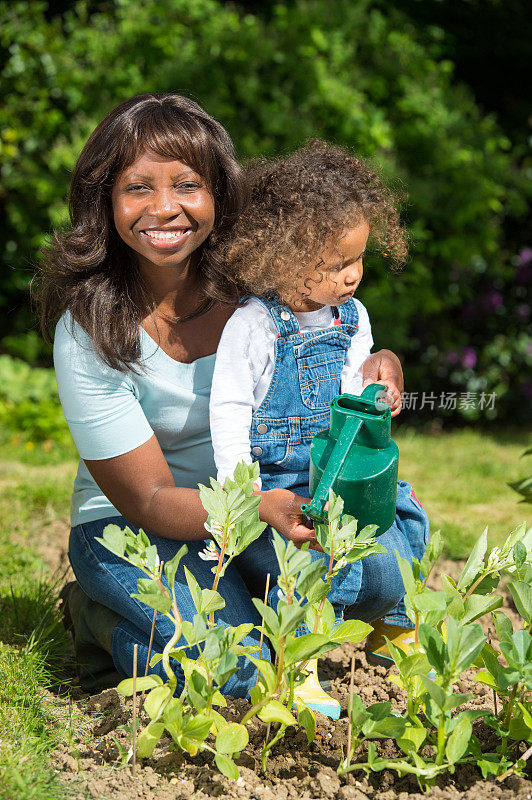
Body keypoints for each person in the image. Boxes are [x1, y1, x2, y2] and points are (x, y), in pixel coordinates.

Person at [35, 93, 413, 701]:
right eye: (138, 188)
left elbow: (346, 347)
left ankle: (235, 595)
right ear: (105, 201)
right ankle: (98, 617)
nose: (164, 208)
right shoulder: (89, 330)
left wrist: (384, 365)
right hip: (141, 524)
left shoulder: (262, 282)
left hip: (265, 505)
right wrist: (255, 509)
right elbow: (152, 500)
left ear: (218, 194)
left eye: (187, 185)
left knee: (384, 573)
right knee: (236, 672)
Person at [209, 142, 429, 716]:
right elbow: (229, 409)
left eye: (358, 260)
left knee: (404, 518)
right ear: (281, 256)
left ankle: (395, 631)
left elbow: (351, 395)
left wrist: (377, 393)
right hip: (281, 478)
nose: (353, 275)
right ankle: (296, 656)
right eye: (336, 264)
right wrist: (244, 493)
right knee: (303, 560)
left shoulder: (351, 318)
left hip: (336, 465)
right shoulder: (255, 326)